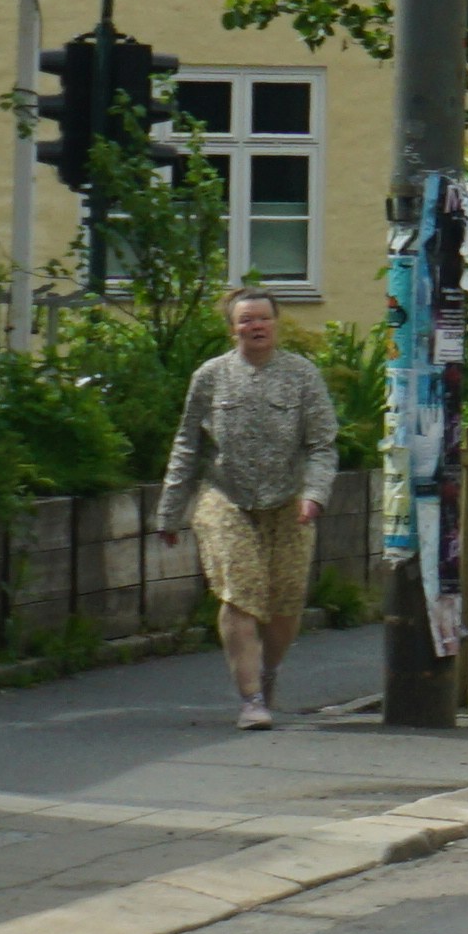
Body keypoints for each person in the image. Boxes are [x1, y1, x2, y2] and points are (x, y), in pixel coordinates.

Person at [166, 288, 342, 731]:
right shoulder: (210, 376)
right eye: (246, 320)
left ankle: (267, 672)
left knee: (284, 604)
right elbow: (187, 445)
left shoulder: (303, 377)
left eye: (263, 319)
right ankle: (251, 700)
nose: (255, 327)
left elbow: (322, 445)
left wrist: (314, 495)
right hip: (225, 496)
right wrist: (169, 511)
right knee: (240, 596)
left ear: (276, 324)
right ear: (233, 328)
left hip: (288, 500)